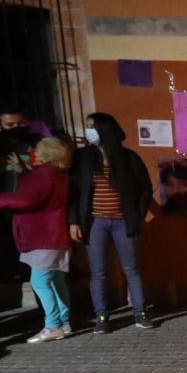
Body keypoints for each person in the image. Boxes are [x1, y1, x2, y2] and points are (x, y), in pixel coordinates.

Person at [0, 136, 73, 342]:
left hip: (42, 238)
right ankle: (64, 321)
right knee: (56, 280)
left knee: (39, 281)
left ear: (45, 154)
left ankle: (52, 325)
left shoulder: (45, 175)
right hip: (54, 236)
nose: (33, 152)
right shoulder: (56, 174)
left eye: (37, 150)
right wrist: (23, 173)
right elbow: (35, 191)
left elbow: (26, 198)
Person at [70, 111, 154, 330]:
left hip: (123, 222)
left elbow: (145, 188)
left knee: (132, 269)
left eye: (91, 127)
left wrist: (139, 214)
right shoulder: (83, 158)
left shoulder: (128, 158)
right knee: (98, 272)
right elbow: (74, 192)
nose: (88, 131)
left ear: (104, 130)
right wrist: (74, 221)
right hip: (95, 222)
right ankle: (101, 317)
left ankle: (141, 312)